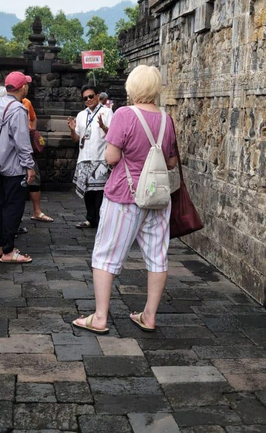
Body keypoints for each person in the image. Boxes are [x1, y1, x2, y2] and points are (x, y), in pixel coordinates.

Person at [72, 65, 177, 334]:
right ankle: (149, 316)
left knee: (106, 255)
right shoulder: (167, 119)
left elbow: (111, 158)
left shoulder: (124, 114)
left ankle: (100, 317)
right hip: (157, 197)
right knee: (157, 257)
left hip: (124, 195)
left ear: (133, 88)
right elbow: (172, 161)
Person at [0, 71, 36, 263]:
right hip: (15, 166)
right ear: (22, 87)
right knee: (14, 207)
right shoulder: (18, 110)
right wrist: (29, 166)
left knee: (2, 205)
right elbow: (22, 142)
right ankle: (8, 251)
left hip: (0, 164)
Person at [68, 84, 114, 228]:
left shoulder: (107, 113)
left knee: (99, 191)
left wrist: (103, 127)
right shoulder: (82, 115)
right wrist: (71, 130)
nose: (88, 100)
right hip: (84, 157)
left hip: (100, 157)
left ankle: (101, 220)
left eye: (91, 96)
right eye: (85, 98)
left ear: (97, 95)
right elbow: (76, 139)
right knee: (87, 190)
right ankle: (90, 218)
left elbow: (113, 136)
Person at [21, 88, 53, 223]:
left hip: (27, 148)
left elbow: (33, 118)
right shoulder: (4, 104)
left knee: (34, 178)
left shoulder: (26, 102)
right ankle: (17, 216)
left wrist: (32, 131)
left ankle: (37, 211)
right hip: (13, 151)